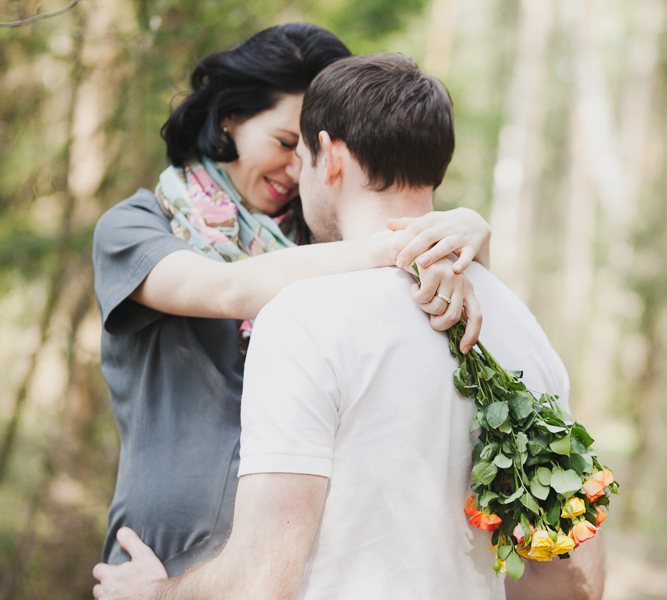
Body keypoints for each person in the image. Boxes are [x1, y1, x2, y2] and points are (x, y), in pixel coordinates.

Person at [92, 54, 605, 600]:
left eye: (302, 152)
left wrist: (153, 595)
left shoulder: (301, 316)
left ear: (329, 155)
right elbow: (576, 584)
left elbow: (260, 584)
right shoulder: (521, 328)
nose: (294, 176)